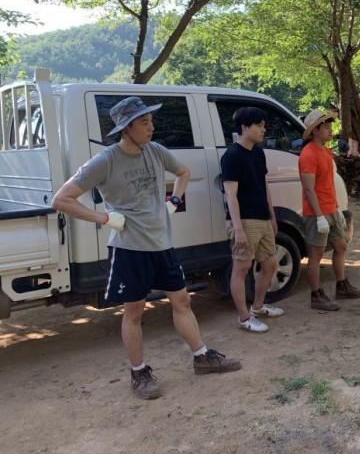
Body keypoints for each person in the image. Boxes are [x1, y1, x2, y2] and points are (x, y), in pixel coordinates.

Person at [52, 96, 241, 400]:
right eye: (144, 122)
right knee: (134, 312)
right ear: (126, 128)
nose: (151, 127)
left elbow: (183, 173)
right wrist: (103, 218)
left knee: (182, 301)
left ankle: (202, 357)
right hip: (129, 249)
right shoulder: (105, 160)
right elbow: (62, 199)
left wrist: (174, 201)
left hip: (162, 244)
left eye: (151, 120)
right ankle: (139, 373)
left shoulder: (156, 151)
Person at [220, 107, 284, 333]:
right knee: (241, 268)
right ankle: (244, 318)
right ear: (244, 127)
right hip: (244, 220)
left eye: (263, 125)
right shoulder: (231, 156)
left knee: (270, 263)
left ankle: (258, 307)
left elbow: (264, 185)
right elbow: (230, 195)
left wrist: (272, 215)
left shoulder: (258, 152)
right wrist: (237, 228)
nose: (263, 130)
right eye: (259, 125)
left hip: (262, 217)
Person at [299, 109, 360, 311]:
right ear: (315, 131)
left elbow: (328, 184)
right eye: (326, 127)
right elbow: (309, 189)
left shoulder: (326, 152)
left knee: (341, 246)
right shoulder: (308, 154)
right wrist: (319, 216)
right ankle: (316, 295)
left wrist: (336, 209)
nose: (331, 131)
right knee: (316, 254)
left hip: (331, 209)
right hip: (316, 213)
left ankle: (342, 286)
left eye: (330, 127)